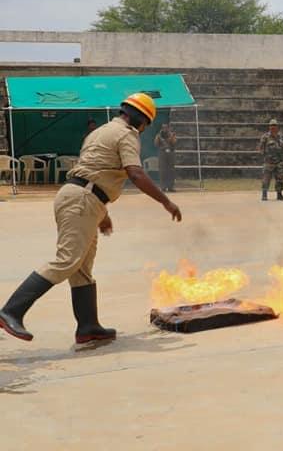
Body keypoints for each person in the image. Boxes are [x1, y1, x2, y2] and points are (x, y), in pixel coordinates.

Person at [0, 93, 182, 344]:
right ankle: (11, 311)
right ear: (141, 120)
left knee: (81, 268)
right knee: (66, 261)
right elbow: (136, 174)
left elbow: (95, 172)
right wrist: (166, 201)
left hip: (84, 198)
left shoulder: (100, 132)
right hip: (83, 200)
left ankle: (88, 326)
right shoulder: (127, 134)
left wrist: (102, 214)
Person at [259, 119, 283, 201]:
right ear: (269, 127)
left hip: (279, 161)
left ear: (277, 127)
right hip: (269, 161)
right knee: (266, 178)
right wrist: (266, 156)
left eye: (274, 125)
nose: (273, 127)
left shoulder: (281, 136)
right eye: (271, 125)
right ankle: (264, 194)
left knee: (279, 179)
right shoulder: (265, 137)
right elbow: (261, 149)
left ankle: (279, 194)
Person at [154, 123, 177, 192]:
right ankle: (163, 187)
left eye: (166, 127)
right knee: (162, 170)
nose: (165, 129)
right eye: (163, 128)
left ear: (168, 128)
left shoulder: (172, 135)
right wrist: (158, 138)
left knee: (171, 170)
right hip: (162, 153)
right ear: (162, 128)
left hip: (170, 153)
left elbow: (174, 143)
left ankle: (170, 187)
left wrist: (172, 137)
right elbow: (155, 144)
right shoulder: (158, 135)